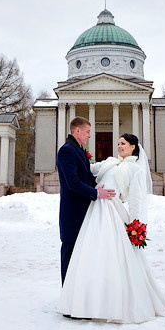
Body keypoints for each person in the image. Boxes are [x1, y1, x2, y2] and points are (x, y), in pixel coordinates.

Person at [57, 132, 165, 323]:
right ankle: (87, 300)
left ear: (133, 147)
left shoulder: (135, 169)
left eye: (123, 143)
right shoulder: (109, 162)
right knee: (90, 255)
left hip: (113, 212)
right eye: (118, 143)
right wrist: (76, 153)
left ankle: (114, 301)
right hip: (95, 210)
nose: (119, 146)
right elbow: (86, 168)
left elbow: (136, 200)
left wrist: (136, 226)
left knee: (113, 256)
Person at [56, 116, 115, 285]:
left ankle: (77, 299)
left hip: (85, 212)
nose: (90, 136)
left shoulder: (79, 150)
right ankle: (67, 301)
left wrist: (109, 185)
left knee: (81, 257)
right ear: (77, 130)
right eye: (88, 132)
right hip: (73, 213)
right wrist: (97, 194)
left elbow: (89, 178)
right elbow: (73, 183)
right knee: (70, 253)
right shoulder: (66, 150)